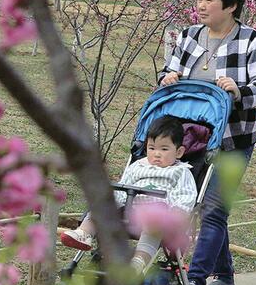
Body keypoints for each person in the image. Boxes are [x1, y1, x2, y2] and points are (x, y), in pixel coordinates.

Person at [160, 0, 256, 285]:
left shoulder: (251, 40)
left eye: (209, 0)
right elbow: (169, 71)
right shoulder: (189, 35)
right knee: (203, 206)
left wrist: (239, 92)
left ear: (231, 6)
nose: (201, 5)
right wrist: (167, 77)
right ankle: (225, 276)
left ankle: (195, 280)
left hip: (234, 139)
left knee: (213, 207)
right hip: (192, 138)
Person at [59, 116, 197, 272]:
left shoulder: (180, 171)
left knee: (154, 226)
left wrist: (176, 214)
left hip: (157, 215)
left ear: (179, 152)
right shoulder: (138, 165)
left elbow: (186, 196)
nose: (157, 154)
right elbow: (124, 187)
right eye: (152, 148)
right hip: (129, 210)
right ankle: (84, 233)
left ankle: (138, 262)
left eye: (164, 149)